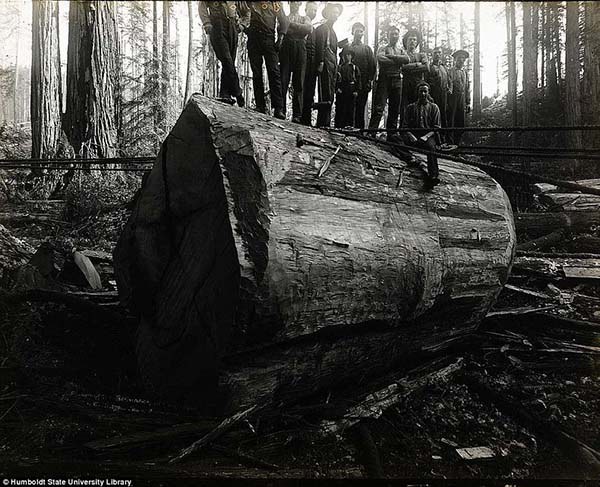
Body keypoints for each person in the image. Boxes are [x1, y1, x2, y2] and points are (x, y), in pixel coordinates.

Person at [239, 1, 289, 119]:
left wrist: (281, 38)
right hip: (253, 39)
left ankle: (278, 108)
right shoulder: (248, 2)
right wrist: (246, 29)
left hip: (268, 38)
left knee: (274, 72)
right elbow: (241, 15)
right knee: (256, 74)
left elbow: (284, 21)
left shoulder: (275, 3)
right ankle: (260, 106)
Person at [198, 1, 246, 107]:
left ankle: (225, 94)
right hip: (217, 26)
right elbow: (202, 7)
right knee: (227, 59)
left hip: (232, 27)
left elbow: (246, 11)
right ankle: (237, 92)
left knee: (229, 62)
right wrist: (206, 23)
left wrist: (242, 25)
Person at [368, 26, 409, 137]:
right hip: (384, 80)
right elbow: (381, 59)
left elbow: (407, 59)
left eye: (396, 34)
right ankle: (371, 132)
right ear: (388, 35)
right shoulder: (382, 48)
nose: (394, 36)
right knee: (379, 107)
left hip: (397, 80)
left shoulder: (401, 50)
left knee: (394, 108)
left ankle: (392, 135)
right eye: (392, 34)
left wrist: (391, 57)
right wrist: (397, 61)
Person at [402, 81, 442, 186]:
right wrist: (411, 136)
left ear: (428, 93)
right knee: (394, 139)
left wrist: (426, 137)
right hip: (413, 134)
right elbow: (405, 127)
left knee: (431, 147)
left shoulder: (434, 107)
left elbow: (436, 128)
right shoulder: (410, 107)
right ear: (417, 93)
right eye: (421, 91)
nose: (423, 94)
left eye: (425, 92)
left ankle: (433, 176)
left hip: (428, 135)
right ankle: (410, 158)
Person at [280, 1, 313, 122]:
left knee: (299, 82)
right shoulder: (285, 17)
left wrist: (291, 25)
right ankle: (281, 110)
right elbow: (282, 28)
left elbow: (308, 28)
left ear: (300, 4)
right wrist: (299, 29)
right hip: (286, 48)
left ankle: (297, 115)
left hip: (300, 48)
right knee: (284, 80)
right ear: (289, 4)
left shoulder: (305, 17)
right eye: (292, 2)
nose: (295, 5)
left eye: (297, 3)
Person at [313, 2, 343, 128]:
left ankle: (325, 122)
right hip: (324, 64)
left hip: (332, 66)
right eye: (333, 13)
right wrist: (320, 62)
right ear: (328, 14)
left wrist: (337, 69)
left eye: (337, 13)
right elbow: (319, 47)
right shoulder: (321, 29)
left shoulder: (334, 32)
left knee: (330, 93)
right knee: (324, 92)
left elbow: (335, 52)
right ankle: (322, 122)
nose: (335, 16)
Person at [400, 28, 429, 125]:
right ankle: (404, 131)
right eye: (410, 39)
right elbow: (402, 67)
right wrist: (418, 64)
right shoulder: (402, 54)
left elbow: (426, 67)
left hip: (418, 85)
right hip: (405, 85)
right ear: (406, 42)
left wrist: (410, 67)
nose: (412, 41)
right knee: (404, 107)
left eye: (414, 39)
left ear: (417, 42)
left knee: (417, 107)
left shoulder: (421, 55)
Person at [349, 22, 375, 129]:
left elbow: (372, 66)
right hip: (350, 83)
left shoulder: (367, 49)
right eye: (356, 31)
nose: (359, 33)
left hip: (363, 83)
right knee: (349, 106)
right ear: (352, 32)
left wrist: (369, 81)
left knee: (360, 106)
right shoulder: (348, 48)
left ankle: (360, 130)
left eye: (361, 31)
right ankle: (348, 128)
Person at [300, 1, 319, 126]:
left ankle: (306, 119)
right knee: (301, 87)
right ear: (306, 9)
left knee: (310, 90)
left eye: (315, 11)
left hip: (312, 63)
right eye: (311, 10)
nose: (313, 12)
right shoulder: (302, 22)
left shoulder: (316, 29)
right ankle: (300, 117)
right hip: (302, 60)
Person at [447, 49, 471, 145]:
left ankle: (458, 145)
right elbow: (448, 87)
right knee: (450, 122)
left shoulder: (465, 73)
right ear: (455, 60)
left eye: (463, 59)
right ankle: (450, 144)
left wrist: (468, 102)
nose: (461, 60)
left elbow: (467, 89)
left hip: (462, 101)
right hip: (452, 100)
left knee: (460, 122)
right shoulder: (450, 71)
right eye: (459, 58)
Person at [426, 46, 452, 132]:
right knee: (434, 115)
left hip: (444, 95)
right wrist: (429, 96)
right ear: (432, 55)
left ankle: (444, 136)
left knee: (444, 115)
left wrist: (449, 89)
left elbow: (449, 80)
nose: (437, 55)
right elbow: (426, 82)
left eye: (439, 53)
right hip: (434, 95)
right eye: (435, 53)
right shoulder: (429, 68)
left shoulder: (444, 68)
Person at [335, 47, 361, 128]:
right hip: (342, 89)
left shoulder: (354, 68)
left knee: (351, 109)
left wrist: (356, 90)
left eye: (349, 55)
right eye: (345, 55)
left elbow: (358, 79)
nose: (347, 56)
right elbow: (336, 79)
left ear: (352, 56)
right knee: (341, 108)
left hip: (351, 89)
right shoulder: (340, 67)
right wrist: (337, 88)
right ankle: (340, 126)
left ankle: (349, 127)